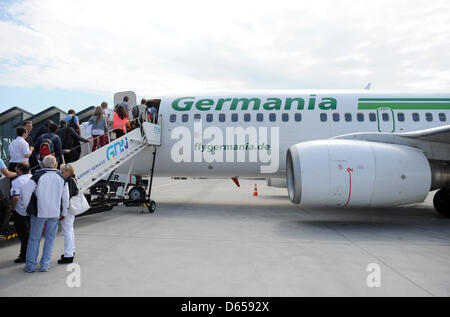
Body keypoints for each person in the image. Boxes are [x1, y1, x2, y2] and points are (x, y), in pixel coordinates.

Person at [20, 155, 69, 273]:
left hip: (39, 212)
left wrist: (26, 208)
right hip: (54, 213)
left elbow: (25, 192)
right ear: (56, 165)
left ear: (42, 164)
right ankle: (45, 265)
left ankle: (30, 266)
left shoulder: (37, 176)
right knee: (50, 239)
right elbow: (66, 198)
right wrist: (64, 212)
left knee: (34, 239)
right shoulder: (62, 177)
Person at [10, 162, 32, 263]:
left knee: (23, 235)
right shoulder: (33, 177)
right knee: (31, 234)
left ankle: (24, 256)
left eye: (16, 167)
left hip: (21, 211)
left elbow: (16, 197)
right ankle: (31, 254)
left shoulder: (17, 181)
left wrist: (12, 208)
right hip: (32, 210)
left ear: (19, 170)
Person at [58, 163, 78, 264]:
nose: (62, 173)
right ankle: (71, 251)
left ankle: (68, 254)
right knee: (69, 230)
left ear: (68, 171)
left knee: (67, 231)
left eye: (63, 171)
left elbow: (67, 197)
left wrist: (63, 211)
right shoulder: (73, 179)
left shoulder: (68, 181)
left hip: (68, 209)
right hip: (71, 209)